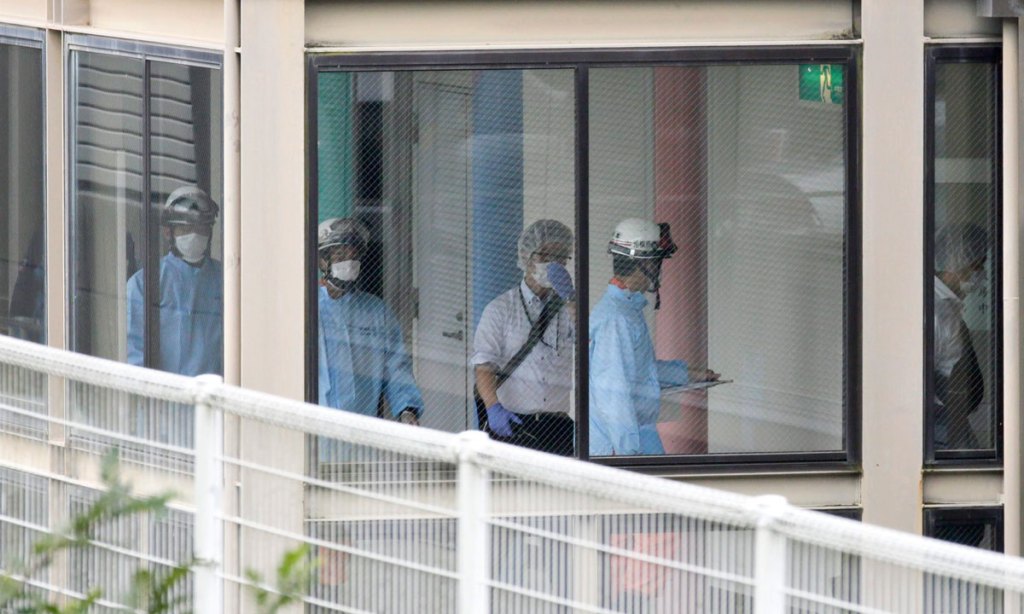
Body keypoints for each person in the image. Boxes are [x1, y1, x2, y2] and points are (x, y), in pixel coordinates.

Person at [589, 218, 718, 456]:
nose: (659, 268)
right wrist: (630, 456)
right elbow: (613, 395)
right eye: (657, 261)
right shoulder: (617, 319)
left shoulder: (626, 310)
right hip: (620, 447)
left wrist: (688, 375)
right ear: (642, 263)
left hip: (635, 437)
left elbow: (639, 371)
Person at [472, 219, 576, 455]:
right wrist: (493, 407)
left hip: (557, 425)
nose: (553, 263)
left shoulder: (568, 308)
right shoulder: (500, 309)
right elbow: (484, 366)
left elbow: (590, 349)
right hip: (514, 423)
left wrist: (573, 302)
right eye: (545, 255)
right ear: (526, 257)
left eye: (561, 257)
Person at [317, 217, 423, 424]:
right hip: (318, 431)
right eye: (340, 254)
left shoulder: (376, 312)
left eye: (353, 254)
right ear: (323, 261)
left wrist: (407, 408)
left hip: (363, 428)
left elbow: (395, 365)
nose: (349, 260)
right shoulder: (307, 309)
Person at [127, 186, 222, 376]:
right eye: (185, 228)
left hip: (215, 399)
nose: (194, 234)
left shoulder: (226, 280)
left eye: (201, 227)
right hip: (164, 401)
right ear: (167, 232)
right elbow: (135, 358)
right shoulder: (144, 285)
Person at [933, 222, 987, 451]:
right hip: (936, 432)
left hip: (948, 426)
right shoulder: (933, 313)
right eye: (976, 267)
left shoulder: (948, 308)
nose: (980, 276)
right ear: (954, 264)